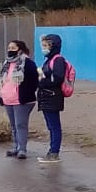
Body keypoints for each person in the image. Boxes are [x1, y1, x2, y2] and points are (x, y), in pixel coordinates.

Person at [0, 39, 38, 160]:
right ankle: (15, 146)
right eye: (9, 48)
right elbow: (2, 79)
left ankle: (22, 149)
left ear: (20, 49)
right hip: (8, 99)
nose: (10, 50)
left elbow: (34, 81)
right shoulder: (6, 63)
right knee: (13, 125)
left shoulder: (27, 63)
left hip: (22, 100)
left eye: (13, 48)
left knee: (21, 124)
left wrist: (25, 93)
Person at [36, 33, 69, 163]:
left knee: (54, 126)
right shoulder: (49, 60)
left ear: (53, 45)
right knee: (51, 126)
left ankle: (54, 153)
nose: (43, 48)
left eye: (45, 45)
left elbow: (57, 77)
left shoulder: (58, 60)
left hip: (52, 96)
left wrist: (42, 80)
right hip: (46, 97)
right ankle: (52, 151)